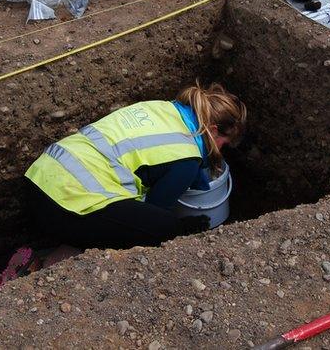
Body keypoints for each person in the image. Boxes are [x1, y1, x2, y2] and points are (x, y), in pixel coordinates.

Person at [27, 81, 247, 250]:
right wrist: (185, 227)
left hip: (40, 175)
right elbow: (153, 212)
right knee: (164, 228)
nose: (220, 150)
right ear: (214, 129)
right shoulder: (187, 159)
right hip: (64, 204)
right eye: (223, 144)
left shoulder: (163, 108)